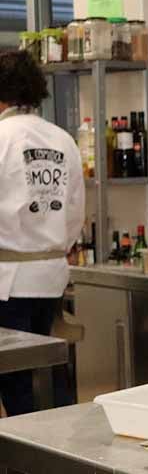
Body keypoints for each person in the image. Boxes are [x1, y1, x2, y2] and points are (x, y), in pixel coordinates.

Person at [0, 49, 84, 416]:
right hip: (51, 277)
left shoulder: (1, 137)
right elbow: (75, 212)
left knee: (16, 382)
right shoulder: (62, 139)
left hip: (8, 282)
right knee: (50, 375)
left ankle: (28, 471)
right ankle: (60, 464)